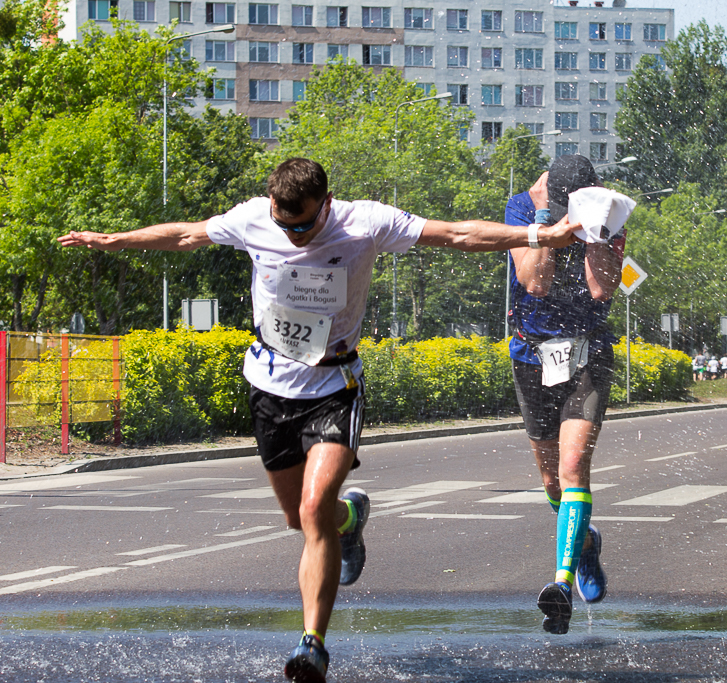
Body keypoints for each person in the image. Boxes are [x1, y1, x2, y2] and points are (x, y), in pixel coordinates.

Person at [58, 157, 580, 682]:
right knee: (299, 518)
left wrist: (542, 235)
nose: (295, 236)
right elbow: (186, 235)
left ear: (326, 204)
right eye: (285, 226)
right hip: (269, 387)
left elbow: (458, 234)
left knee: (312, 510)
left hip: (334, 387)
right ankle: (349, 521)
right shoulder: (253, 217)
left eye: (304, 226)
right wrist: (116, 240)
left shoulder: (365, 222)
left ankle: (313, 646)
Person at [504, 155, 627, 635]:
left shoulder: (611, 212)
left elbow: (601, 288)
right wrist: (544, 219)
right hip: (532, 355)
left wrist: (594, 225)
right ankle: (586, 545)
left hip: (587, 353)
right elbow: (535, 282)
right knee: (552, 480)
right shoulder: (522, 206)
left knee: (574, 466)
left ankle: (561, 583)